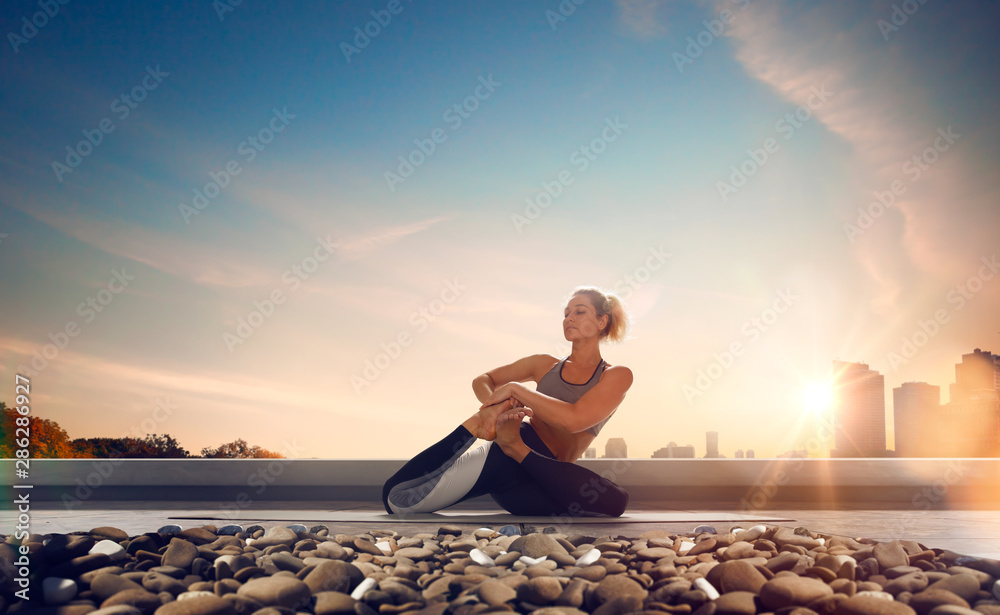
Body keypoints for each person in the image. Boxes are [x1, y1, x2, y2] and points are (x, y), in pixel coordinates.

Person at [382, 286, 633, 517]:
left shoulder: (616, 375)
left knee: (615, 502)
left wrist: (515, 390)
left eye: (580, 312)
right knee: (398, 500)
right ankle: (475, 427)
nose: (569, 318)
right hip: (506, 456)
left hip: (544, 476)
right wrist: (494, 408)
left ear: (602, 320)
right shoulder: (543, 364)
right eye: (566, 313)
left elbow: (573, 421)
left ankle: (516, 447)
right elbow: (484, 379)